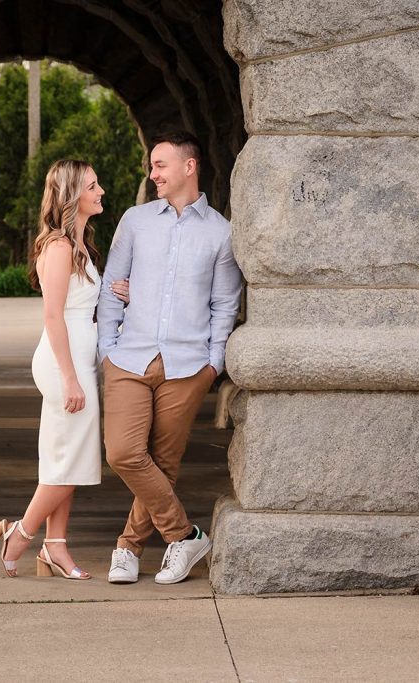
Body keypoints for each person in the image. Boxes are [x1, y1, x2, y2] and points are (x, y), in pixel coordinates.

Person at [98, 131, 242, 585]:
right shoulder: (136, 221)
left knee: (163, 461)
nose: (153, 173)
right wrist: (107, 348)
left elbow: (225, 304)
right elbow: (111, 284)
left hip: (187, 364)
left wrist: (213, 363)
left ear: (189, 166)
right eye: (152, 164)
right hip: (130, 357)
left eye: (160, 164)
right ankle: (186, 534)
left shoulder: (221, 232)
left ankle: (128, 548)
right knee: (123, 451)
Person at [0, 159, 105, 580]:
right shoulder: (57, 247)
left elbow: (84, 304)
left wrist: (114, 290)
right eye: (92, 186)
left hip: (77, 363)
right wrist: (71, 377)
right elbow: (54, 317)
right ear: (73, 195)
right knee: (68, 458)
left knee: (66, 456)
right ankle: (20, 533)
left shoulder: (80, 246)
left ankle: (56, 547)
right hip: (62, 365)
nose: (101, 191)